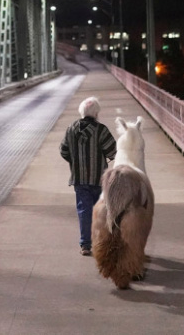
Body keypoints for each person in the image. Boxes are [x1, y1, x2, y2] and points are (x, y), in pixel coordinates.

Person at [60, 96, 117, 256]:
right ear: (96, 113)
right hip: (99, 179)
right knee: (102, 211)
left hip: (79, 179)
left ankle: (85, 245)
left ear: (81, 111)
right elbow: (113, 152)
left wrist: (75, 161)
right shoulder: (101, 130)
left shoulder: (71, 128)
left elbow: (63, 150)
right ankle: (103, 242)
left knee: (84, 211)